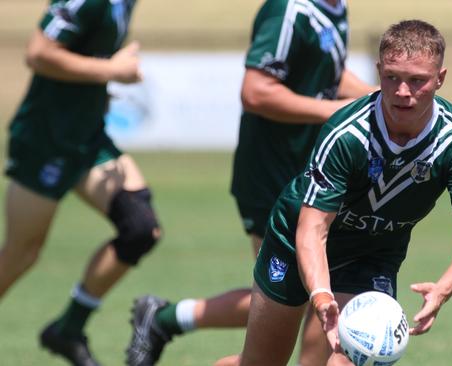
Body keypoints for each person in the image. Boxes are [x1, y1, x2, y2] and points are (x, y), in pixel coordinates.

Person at [213, 19, 452, 366]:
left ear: (440, 78)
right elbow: (313, 228)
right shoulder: (348, 133)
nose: (403, 91)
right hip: (295, 239)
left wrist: (443, 288)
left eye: (417, 80)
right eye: (392, 77)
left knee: (352, 360)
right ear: (378, 71)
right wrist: (319, 294)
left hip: (373, 255)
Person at [125, 0, 375, 365]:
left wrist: (374, 96)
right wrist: (334, 111)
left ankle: (164, 318)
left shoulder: (335, 7)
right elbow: (256, 91)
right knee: (289, 292)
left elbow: (327, 74)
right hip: (270, 174)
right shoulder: (287, 11)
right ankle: (163, 318)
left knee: (310, 292)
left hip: (308, 171)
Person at [0, 1, 161, 365]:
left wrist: (100, 89)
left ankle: (68, 330)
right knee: (21, 253)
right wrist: (111, 70)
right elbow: (39, 53)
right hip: (46, 140)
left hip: (87, 138)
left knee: (140, 228)